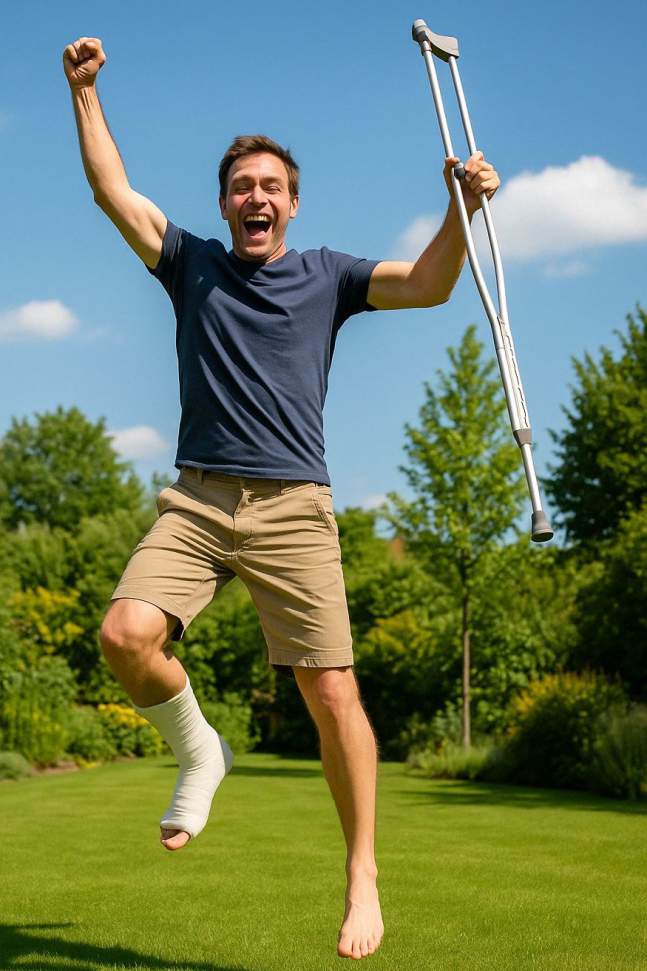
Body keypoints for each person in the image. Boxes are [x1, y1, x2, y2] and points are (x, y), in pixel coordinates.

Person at [63, 35, 500, 962]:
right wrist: (84, 92)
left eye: (269, 186)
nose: (254, 197)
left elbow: (427, 285)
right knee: (123, 637)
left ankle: (363, 876)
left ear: (291, 203)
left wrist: (459, 209)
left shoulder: (329, 276)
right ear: (225, 204)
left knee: (331, 690)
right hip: (197, 500)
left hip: (296, 504)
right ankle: (198, 751)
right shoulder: (190, 263)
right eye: (239, 186)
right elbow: (113, 191)